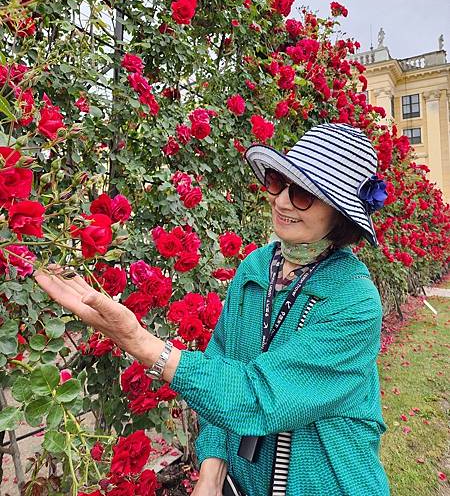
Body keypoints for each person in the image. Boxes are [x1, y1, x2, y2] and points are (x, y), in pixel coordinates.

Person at [35, 123, 390, 496]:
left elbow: (258, 397)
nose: (282, 201)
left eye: (302, 193)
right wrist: (213, 467)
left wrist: (137, 340)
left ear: (340, 213)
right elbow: (223, 364)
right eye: (278, 181)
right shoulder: (256, 269)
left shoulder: (354, 302)